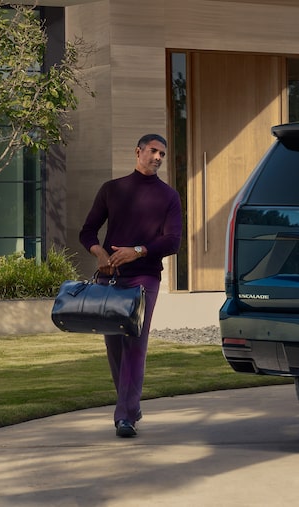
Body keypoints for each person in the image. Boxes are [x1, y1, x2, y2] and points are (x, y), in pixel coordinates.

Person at [79, 133, 182, 438]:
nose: (158, 158)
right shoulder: (112, 189)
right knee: (114, 345)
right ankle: (131, 406)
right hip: (109, 278)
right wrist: (100, 253)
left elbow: (172, 241)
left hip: (144, 278)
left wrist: (136, 251)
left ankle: (125, 416)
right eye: (153, 151)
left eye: (162, 154)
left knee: (135, 342)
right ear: (138, 151)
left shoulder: (169, 196)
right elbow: (87, 231)